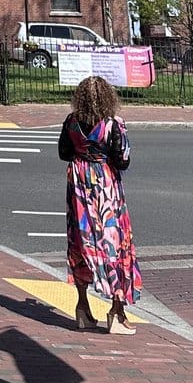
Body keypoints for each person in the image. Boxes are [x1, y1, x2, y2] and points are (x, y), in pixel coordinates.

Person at [58, 73, 141, 334]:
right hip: (105, 186)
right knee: (114, 244)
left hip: (79, 186)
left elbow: (64, 153)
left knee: (81, 242)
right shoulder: (113, 124)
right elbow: (123, 159)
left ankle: (82, 307)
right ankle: (117, 311)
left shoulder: (71, 122)